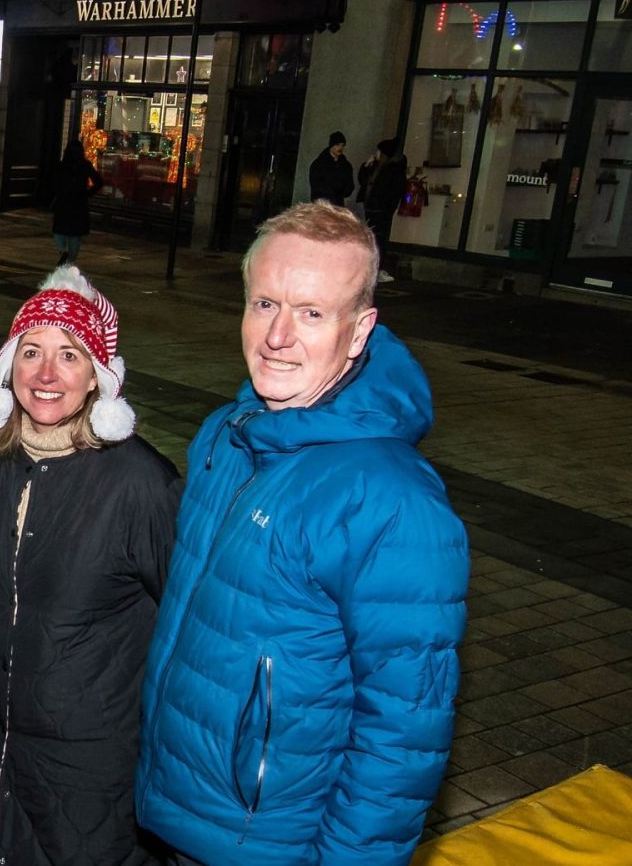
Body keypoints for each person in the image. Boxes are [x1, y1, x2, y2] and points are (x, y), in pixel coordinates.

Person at [135, 203, 469, 865]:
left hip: (271, 844)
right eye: (264, 304)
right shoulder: (226, 437)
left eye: (312, 313)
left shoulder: (393, 502)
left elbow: (402, 737)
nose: (278, 336)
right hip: (182, 816)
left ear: (359, 330)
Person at [0, 266, 181, 865]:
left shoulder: (140, 484)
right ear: (7, 371)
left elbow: (184, 630)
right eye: (31, 352)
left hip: (88, 761)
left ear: (97, 378)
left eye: (69, 356)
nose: (47, 374)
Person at [357, 137, 409, 282]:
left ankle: (376, 269)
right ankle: (368, 269)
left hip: (380, 209)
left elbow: (395, 191)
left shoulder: (392, 170)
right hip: (371, 207)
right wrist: (366, 166)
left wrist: (387, 207)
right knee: (370, 237)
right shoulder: (376, 167)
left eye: (379, 151)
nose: (377, 154)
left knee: (378, 238)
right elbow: (363, 180)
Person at [52, 139, 102, 266]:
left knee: (59, 231)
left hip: (64, 202)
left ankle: (62, 251)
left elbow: (54, 183)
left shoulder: (62, 165)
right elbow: (98, 182)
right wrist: (87, 193)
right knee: (75, 235)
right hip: (79, 203)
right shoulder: (85, 165)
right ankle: (70, 260)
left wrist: (60, 193)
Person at [308, 130, 354, 207]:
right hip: (322, 205)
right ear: (331, 145)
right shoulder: (319, 164)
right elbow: (315, 185)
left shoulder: (346, 165)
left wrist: (342, 192)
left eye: (342, 145)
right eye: (337, 145)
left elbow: (350, 185)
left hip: (337, 204)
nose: (340, 148)